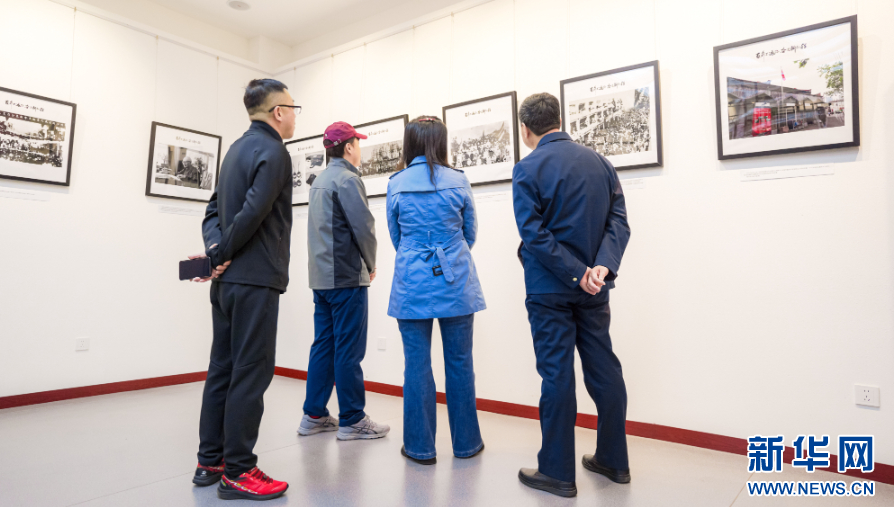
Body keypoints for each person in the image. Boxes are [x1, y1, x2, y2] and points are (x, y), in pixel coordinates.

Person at [512, 93, 632, 498]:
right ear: (559, 120)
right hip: (595, 288)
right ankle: (614, 460)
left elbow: (533, 233)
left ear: (525, 130)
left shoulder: (527, 168)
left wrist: (577, 272)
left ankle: (557, 472)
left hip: (549, 289)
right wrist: (601, 267)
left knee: (557, 375)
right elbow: (619, 221)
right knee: (604, 369)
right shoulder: (600, 162)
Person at [187, 79, 299, 500]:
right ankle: (238, 470)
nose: (295, 115)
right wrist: (222, 253)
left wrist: (215, 252)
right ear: (278, 112)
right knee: (251, 373)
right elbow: (254, 211)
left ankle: (210, 461)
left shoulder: (235, 149)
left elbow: (212, 210)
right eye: (293, 107)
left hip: (227, 283)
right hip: (255, 279)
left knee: (222, 368)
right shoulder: (275, 151)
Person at [386, 116, 487, 465]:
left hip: (412, 281)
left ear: (409, 143)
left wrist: (418, 254)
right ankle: (466, 444)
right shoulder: (459, 180)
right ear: (441, 143)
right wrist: (449, 252)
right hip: (455, 278)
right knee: (460, 363)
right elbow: (470, 233)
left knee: (416, 366)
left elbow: (397, 237)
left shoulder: (397, 183)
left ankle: (420, 447)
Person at [299, 121, 390, 441]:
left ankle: (313, 415)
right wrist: (371, 263)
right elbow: (363, 229)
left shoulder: (320, 180)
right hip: (346, 278)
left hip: (321, 278)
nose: (359, 149)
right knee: (349, 350)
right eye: (358, 143)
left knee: (323, 346)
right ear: (348, 147)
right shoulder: (348, 179)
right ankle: (353, 419)